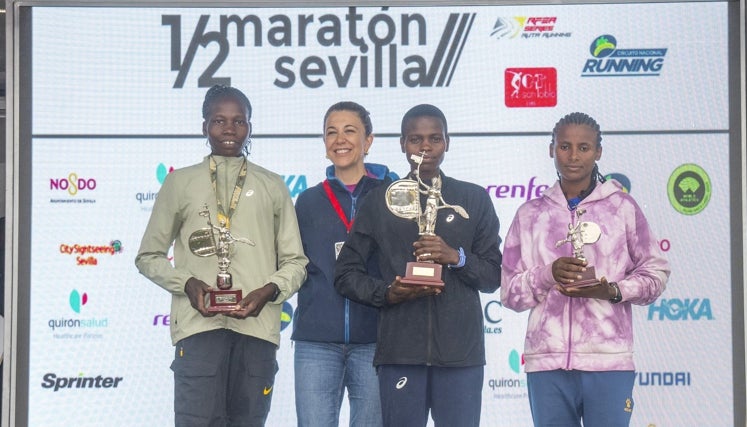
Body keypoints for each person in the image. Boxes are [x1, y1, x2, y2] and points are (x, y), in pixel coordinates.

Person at [135, 85, 307, 427]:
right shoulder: (179, 184)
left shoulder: (273, 185)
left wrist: (268, 291)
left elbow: (296, 263)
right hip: (198, 331)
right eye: (219, 120)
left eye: (238, 121)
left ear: (250, 127)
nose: (229, 128)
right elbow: (148, 256)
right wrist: (186, 283)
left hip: (256, 330)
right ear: (204, 127)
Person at [334, 104, 502, 427]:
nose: (425, 147)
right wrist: (388, 293)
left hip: (460, 357)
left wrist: (456, 257)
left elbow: (493, 275)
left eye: (434, 139)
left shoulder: (473, 198)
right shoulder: (380, 200)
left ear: (447, 142)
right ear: (402, 144)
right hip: (400, 355)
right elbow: (345, 274)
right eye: (415, 139)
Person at [500, 112, 670, 427]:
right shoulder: (530, 214)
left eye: (584, 147)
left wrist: (614, 290)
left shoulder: (621, 208)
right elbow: (510, 293)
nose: (574, 156)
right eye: (565, 146)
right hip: (547, 364)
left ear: (598, 152)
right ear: (551, 149)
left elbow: (655, 273)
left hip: (608, 362)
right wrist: (548, 274)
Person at [292, 101, 397, 427]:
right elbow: (295, 264)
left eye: (350, 130)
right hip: (316, 342)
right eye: (331, 132)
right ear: (325, 145)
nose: (340, 139)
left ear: (368, 141)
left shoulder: (391, 195)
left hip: (375, 339)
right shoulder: (308, 201)